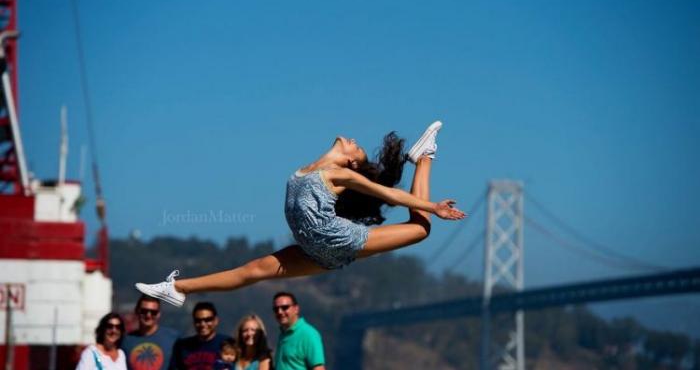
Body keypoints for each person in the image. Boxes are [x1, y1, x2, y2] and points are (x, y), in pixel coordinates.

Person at [136, 121, 465, 306]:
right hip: (317, 252)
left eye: (357, 147)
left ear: (351, 161)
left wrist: (434, 208)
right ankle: (177, 289)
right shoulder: (303, 171)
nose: (352, 139)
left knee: (421, 229)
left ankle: (424, 157)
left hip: (339, 240)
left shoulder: (340, 175)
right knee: (253, 270)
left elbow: (389, 193)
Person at [121, 295, 180, 370]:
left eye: (153, 312)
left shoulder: (173, 338)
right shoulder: (125, 341)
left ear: (159, 314)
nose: (148, 315)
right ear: (136, 311)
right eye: (144, 311)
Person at [272, 292, 324, 370]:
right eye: (276, 309)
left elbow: (318, 368)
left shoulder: (309, 334)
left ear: (296, 309)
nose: (280, 312)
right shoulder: (283, 334)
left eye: (285, 307)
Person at [170, 302, 228, 369]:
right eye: (198, 320)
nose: (202, 324)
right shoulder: (182, 346)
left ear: (216, 320)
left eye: (207, 320)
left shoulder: (228, 344)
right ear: (194, 322)